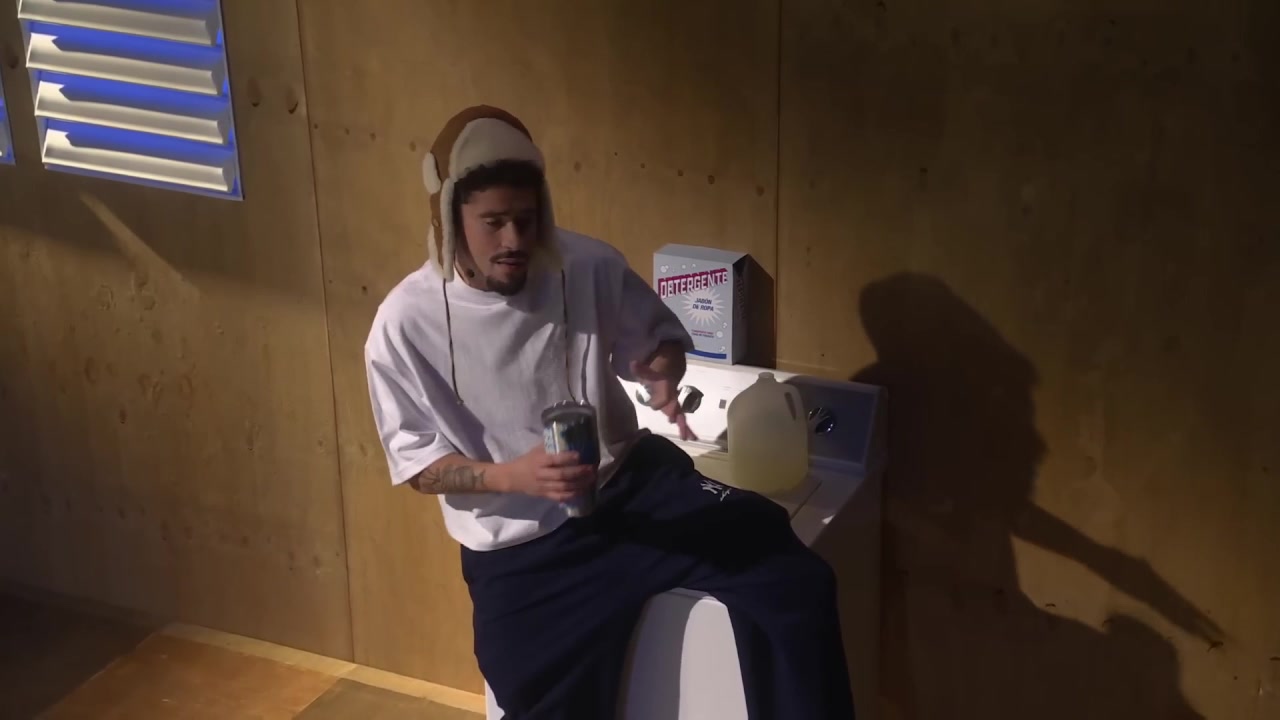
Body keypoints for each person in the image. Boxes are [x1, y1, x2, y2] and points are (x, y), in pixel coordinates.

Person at [364, 105, 855, 719]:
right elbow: (417, 464)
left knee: (796, 582)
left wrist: (663, 368)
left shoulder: (587, 266)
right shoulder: (404, 325)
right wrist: (514, 476)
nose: (514, 240)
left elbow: (657, 344)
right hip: (522, 553)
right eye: (493, 223)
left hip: (633, 489)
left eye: (526, 219)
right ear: (446, 217)